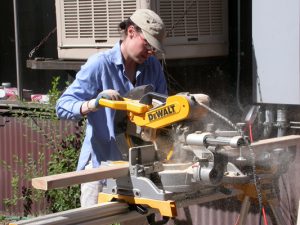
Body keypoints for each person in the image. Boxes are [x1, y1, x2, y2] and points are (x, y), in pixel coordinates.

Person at [55, 8, 168, 208]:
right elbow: (62, 107)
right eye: (147, 44)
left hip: (137, 166)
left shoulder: (153, 67)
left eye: (154, 48)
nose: (150, 52)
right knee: (92, 220)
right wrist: (93, 104)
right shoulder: (100, 64)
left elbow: (164, 111)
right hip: (101, 164)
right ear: (131, 31)